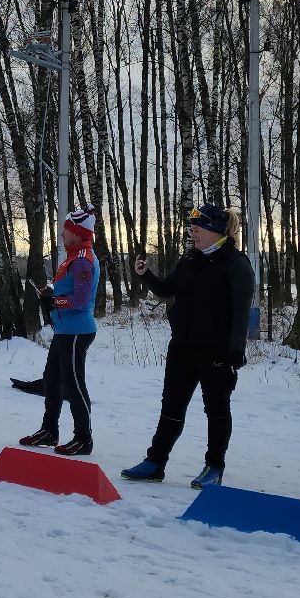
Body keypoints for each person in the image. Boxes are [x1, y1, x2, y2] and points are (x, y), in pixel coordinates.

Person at [121, 203, 254, 489]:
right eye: (191, 230)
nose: (192, 235)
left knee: (216, 410)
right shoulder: (189, 259)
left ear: (215, 231)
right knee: (171, 407)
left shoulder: (236, 264)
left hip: (217, 353)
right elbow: (167, 289)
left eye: (197, 230)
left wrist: (235, 351)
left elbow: (242, 312)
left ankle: (214, 467)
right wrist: (145, 274)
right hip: (182, 348)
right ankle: (155, 462)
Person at [18, 206, 102, 456]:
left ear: (77, 233)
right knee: (52, 381)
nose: (62, 235)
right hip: (65, 329)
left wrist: (54, 300)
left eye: (65, 231)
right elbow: (69, 293)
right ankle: (49, 430)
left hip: (77, 330)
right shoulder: (73, 257)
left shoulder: (83, 259)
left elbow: (81, 300)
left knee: (73, 385)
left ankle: (83, 438)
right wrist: (52, 294)